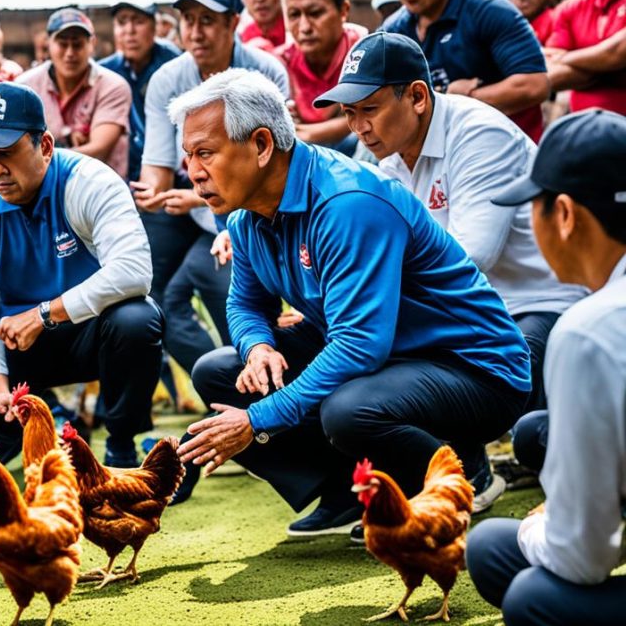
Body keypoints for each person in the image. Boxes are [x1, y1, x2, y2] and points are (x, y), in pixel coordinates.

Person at [174, 68, 530, 537]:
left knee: (349, 408)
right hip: (388, 359)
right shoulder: (244, 215)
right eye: (188, 156)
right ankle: (346, 489)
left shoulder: (346, 202)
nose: (193, 171)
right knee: (220, 373)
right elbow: (245, 303)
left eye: (205, 153)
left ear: (262, 145)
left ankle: (451, 482)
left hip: (474, 370)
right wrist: (257, 345)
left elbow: (360, 345)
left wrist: (257, 419)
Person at [319, 31, 585, 417]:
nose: (358, 127)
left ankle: (477, 458)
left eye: (370, 109)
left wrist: (370, 282)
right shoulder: (389, 154)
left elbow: (472, 256)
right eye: (349, 113)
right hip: (473, 310)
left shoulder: (479, 133)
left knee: (486, 379)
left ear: (417, 97)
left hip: (539, 302)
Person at [0, 83, 163, 467]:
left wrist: (45, 314)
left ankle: (121, 443)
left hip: (89, 332)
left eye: (8, 154)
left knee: (137, 319)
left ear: (44, 146)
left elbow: (133, 272)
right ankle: (10, 427)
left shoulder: (89, 181)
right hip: (20, 342)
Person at [467, 110, 626, 625]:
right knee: (495, 543)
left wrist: (547, 523)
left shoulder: (587, 330)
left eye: (530, 207)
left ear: (563, 214)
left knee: (534, 594)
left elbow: (582, 560)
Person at [132, 0, 287, 394]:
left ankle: (256, 386)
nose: (195, 32)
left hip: (244, 211)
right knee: (146, 295)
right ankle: (220, 390)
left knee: (224, 285)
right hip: (185, 206)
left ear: (234, 22)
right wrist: (147, 194)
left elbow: (274, 169)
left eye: (207, 20)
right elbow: (158, 171)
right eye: (187, 19)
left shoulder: (264, 71)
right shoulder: (167, 78)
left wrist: (196, 197)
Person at [378, 0, 549, 142]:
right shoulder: (394, 30)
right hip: (437, 152)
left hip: (505, 146)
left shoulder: (491, 12)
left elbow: (534, 85)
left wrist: (468, 97)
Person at [16, 7, 132, 178]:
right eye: (63, 44)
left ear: (91, 44)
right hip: (42, 191)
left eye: (77, 44)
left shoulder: (112, 86)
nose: (70, 53)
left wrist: (33, 157)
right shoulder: (25, 86)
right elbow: (16, 143)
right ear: (48, 44)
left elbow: (99, 150)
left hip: (99, 188)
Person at [278, 0, 368, 152]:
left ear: (343, 11)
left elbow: (369, 116)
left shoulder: (363, 49)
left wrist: (304, 133)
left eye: (315, 13)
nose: (304, 28)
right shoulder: (279, 63)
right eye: (294, 15)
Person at [97, 1, 182, 182]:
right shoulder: (105, 71)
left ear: (154, 27)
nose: (129, 31)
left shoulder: (174, 64)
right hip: (120, 173)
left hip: (171, 170)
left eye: (138, 21)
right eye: (121, 22)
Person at [544, 0, 626, 116]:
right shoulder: (572, 6)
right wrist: (603, 64)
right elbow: (549, 70)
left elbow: (617, 53)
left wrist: (565, 57)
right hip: (581, 132)